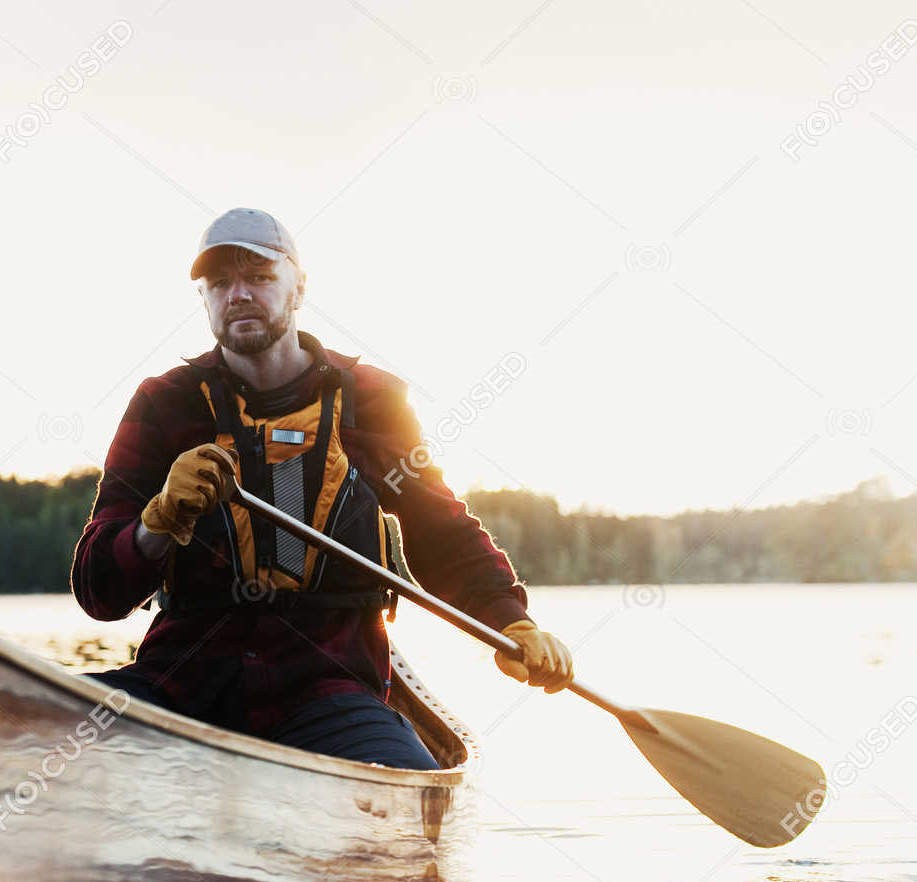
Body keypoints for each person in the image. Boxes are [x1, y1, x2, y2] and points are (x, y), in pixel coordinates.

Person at [70, 207, 573, 770]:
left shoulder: (375, 402)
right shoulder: (164, 403)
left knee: (405, 786)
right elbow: (99, 592)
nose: (238, 294)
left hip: (330, 695)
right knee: (34, 731)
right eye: (219, 283)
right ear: (205, 298)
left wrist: (511, 620)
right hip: (180, 688)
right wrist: (155, 523)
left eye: (259, 277)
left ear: (299, 287)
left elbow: (442, 532)